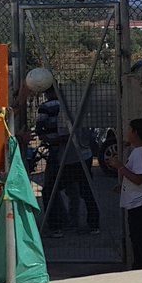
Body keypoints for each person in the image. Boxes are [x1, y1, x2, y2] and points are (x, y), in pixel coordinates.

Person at [34, 86, 99, 237]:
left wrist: (50, 140)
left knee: (50, 190)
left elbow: (61, 136)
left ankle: (56, 227)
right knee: (85, 191)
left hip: (66, 158)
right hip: (84, 155)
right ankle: (91, 224)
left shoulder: (51, 108)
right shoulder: (77, 108)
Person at [107, 118, 142, 269]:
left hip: (140, 202)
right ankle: (141, 266)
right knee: (137, 236)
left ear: (135, 132)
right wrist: (124, 186)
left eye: (129, 130)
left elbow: (139, 178)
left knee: (140, 237)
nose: (127, 133)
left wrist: (119, 166)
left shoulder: (141, 153)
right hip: (138, 200)